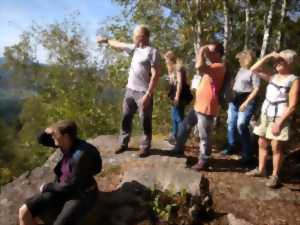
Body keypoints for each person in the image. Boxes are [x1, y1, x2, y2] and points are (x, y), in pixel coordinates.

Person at [19, 120, 102, 225]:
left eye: (55, 134)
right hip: (61, 188)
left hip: (80, 194)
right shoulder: (65, 143)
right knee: (24, 211)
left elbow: (70, 187)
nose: (52, 137)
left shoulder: (80, 155)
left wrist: (46, 187)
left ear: (66, 136)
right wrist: (49, 129)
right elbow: (41, 139)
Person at [96, 25, 161, 157]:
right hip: (130, 91)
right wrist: (106, 40)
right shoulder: (135, 48)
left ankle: (145, 146)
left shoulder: (152, 52)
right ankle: (123, 143)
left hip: (143, 93)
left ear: (141, 37)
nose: (133, 38)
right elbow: (119, 45)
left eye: (135, 35)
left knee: (145, 121)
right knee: (126, 117)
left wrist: (148, 95)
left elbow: (156, 75)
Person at [246, 50, 299, 188]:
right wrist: (269, 56)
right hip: (265, 113)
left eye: (281, 60)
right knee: (262, 142)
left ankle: (275, 176)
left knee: (276, 146)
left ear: (289, 63)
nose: (277, 62)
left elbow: (292, 105)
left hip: (280, 115)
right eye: (277, 60)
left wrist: (280, 122)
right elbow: (253, 69)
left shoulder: (294, 80)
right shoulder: (273, 76)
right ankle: (261, 170)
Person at [172, 43, 226, 171]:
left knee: (204, 136)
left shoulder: (219, 66)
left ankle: (204, 160)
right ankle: (178, 148)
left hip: (207, 107)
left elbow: (199, 66)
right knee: (184, 126)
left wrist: (201, 50)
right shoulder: (212, 66)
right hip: (198, 106)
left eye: (211, 51)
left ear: (218, 54)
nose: (208, 53)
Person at [223, 50, 260, 165]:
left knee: (241, 124)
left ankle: (247, 154)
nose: (238, 60)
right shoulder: (240, 71)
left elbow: (256, 89)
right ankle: (232, 147)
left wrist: (246, 102)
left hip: (247, 100)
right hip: (235, 100)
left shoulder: (253, 71)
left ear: (246, 59)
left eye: (240, 58)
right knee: (231, 123)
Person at [164, 51, 192, 145]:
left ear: (170, 59)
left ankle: (181, 139)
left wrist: (176, 97)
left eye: (166, 60)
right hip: (177, 94)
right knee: (174, 116)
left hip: (179, 95)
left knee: (178, 117)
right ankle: (174, 137)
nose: (166, 62)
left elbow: (180, 83)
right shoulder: (173, 69)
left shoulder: (178, 68)